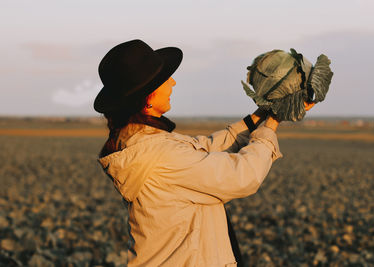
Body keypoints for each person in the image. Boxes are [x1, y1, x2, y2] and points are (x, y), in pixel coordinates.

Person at [93, 39, 314, 266]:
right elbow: (241, 176)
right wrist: (274, 122)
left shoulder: (141, 142)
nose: (173, 83)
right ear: (146, 99)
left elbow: (206, 148)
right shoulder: (160, 153)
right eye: (164, 80)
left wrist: (260, 114)